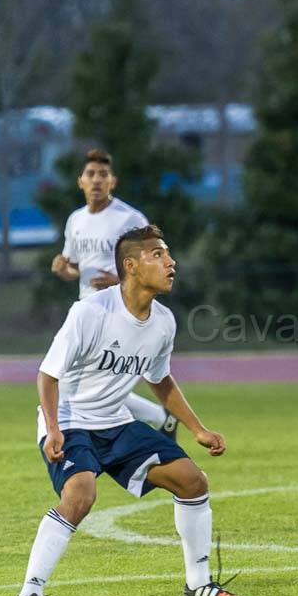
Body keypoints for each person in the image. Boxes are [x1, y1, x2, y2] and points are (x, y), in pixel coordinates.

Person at [8, 225, 249, 596]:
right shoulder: (90, 312)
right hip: (70, 420)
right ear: (132, 266)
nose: (171, 262)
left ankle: (199, 585)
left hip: (117, 422)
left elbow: (160, 380)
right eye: (158, 254)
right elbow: (47, 375)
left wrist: (197, 429)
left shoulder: (163, 322)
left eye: (169, 254)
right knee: (81, 496)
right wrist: (53, 428)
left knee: (193, 481)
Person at [51, 149, 178, 439]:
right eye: (91, 174)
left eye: (103, 175)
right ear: (80, 181)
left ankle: (152, 422)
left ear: (113, 181)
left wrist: (120, 279)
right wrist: (63, 269)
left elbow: (154, 259)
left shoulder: (129, 218)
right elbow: (76, 270)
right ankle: (161, 419)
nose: (97, 180)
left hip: (119, 310)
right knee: (90, 384)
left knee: (84, 383)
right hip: (87, 310)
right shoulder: (76, 221)